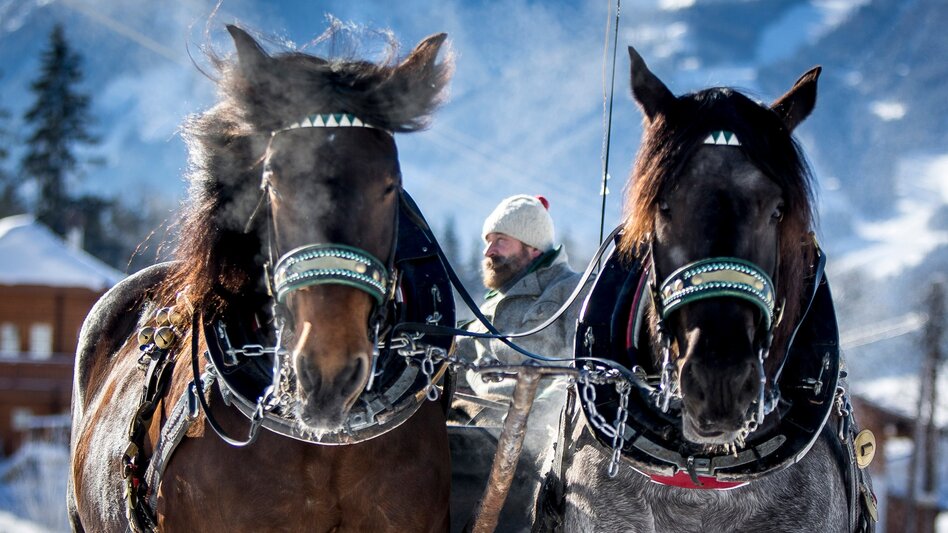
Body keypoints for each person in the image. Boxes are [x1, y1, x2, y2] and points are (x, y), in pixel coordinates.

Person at [449, 194, 591, 532]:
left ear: (532, 247)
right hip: (467, 425)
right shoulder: (488, 306)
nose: (489, 251)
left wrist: (537, 412)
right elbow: (455, 360)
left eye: (500, 240)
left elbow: (581, 365)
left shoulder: (571, 291)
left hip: (531, 441)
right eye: (488, 241)